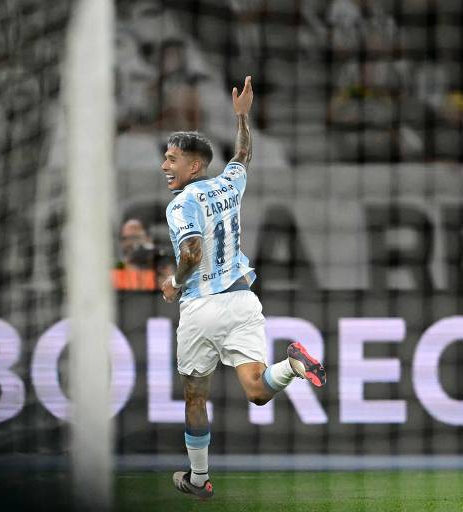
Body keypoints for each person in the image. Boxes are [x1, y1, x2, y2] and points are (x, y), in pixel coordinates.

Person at [159, 76, 327, 500]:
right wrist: (243, 117)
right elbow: (244, 155)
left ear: (194, 166)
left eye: (173, 159)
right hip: (242, 300)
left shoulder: (181, 203)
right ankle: (292, 365)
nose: (165, 166)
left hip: (201, 308)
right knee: (257, 390)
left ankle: (199, 479)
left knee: (195, 398)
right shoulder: (228, 184)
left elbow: (193, 251)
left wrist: (174, 283)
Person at [112, 218, 173, 291]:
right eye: (125, 238)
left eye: (135, 237)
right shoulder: (117, 268)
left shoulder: (160, 262)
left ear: (148, 239)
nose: (130, 243)